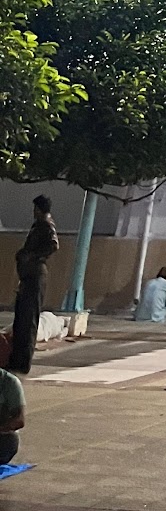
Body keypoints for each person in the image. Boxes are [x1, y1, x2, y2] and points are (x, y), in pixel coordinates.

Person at [11, 196, 58, 375]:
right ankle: (16, 358)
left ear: (39, 209)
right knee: (21, 318)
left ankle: (23, 362)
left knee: (29, 319)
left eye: (35, 208)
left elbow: (53, 245)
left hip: (35, 277)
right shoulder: (37, 225)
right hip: (27, 276)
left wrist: (33, 256)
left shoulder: (46, 225)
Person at [0, 363, 25, 467]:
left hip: (3, 435)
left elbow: (19, 421)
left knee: (9, 440)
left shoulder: (10, 383)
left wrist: (2, 428)